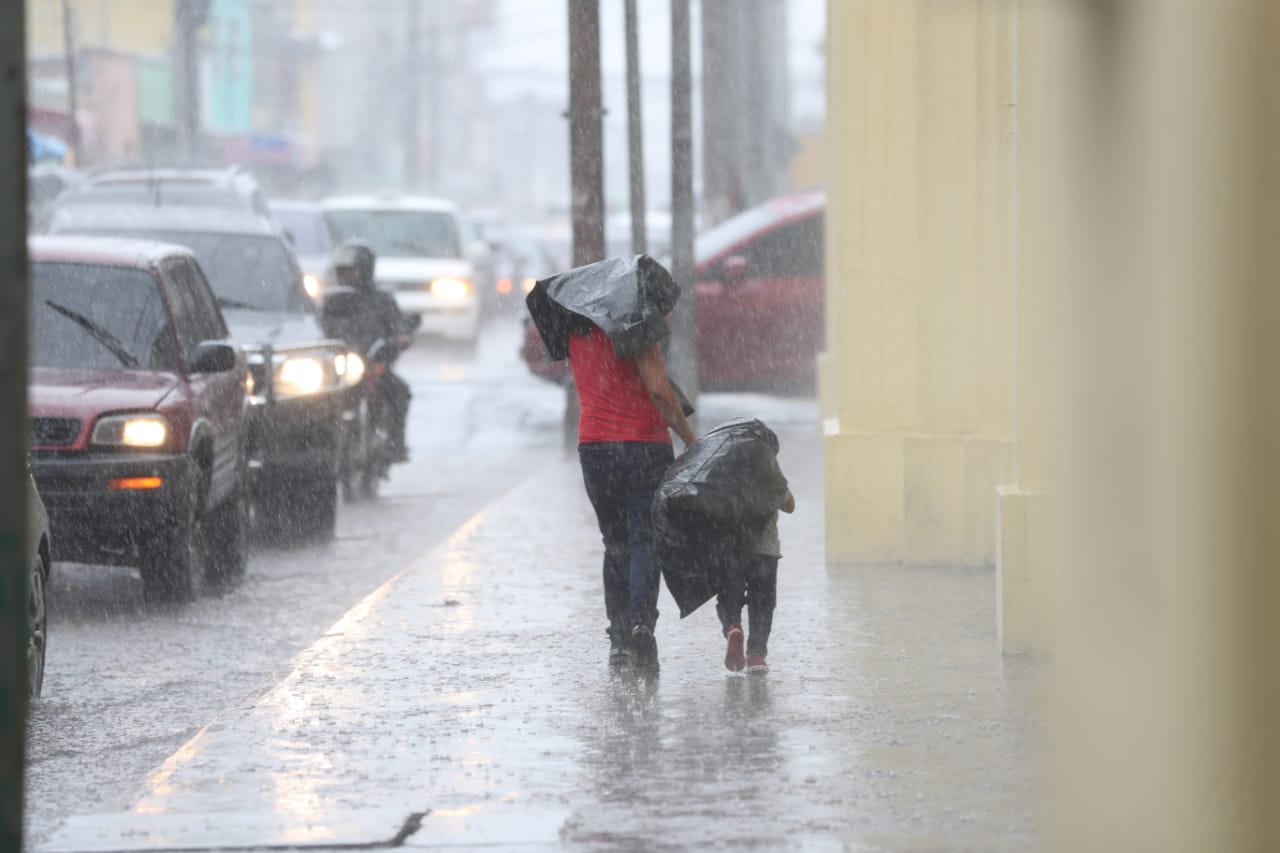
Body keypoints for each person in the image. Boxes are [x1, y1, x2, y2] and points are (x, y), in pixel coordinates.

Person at [570, 321, 697, 670]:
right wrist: (689, 436)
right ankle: (642, 625)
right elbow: (658, 389)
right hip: (644, 446)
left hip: (595, 449)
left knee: (614, 542)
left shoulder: (577, 332)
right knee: (643, 539)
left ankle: (619, 639)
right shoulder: (638, 327)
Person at [326, 240, 413, 461]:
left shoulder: (383, 300)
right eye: (344, 271)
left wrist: (400, 338)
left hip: (375, 366)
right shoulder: (332, 301)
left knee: (400, 393)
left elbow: (398, 325)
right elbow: (319, 327)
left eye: (352, 271)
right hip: (341, 371)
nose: (348, 276)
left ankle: (395, 444)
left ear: (365, 270)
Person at [718, 486, 795, 674]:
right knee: (762, 602)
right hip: (765, 550)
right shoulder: (764, 465)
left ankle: (733, 627)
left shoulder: (720, 467)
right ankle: (756, 654)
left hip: (730, 547)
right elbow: (789, 505)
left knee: (729, 597)